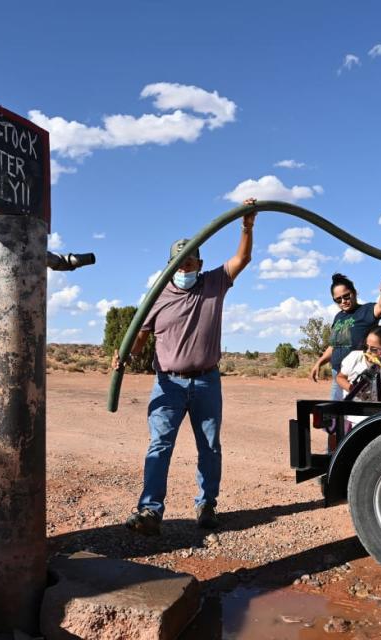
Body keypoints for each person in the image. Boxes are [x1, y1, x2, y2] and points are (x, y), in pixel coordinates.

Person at [113, 200, 257, 536]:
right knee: (159, 446)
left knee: (210, 446)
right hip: (168, 384)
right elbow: (140, 336)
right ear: (170, 265)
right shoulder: (157, 296)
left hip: (207, 381)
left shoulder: (213, 283)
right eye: (179, 262)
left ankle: (207, 505)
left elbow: (243, 259)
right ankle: (150, 511)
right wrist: (126, 355)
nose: (185, 267)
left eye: (190, 261)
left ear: (199, 263)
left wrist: (247, 227)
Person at [310, 272, 381, 400]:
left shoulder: (366, 311)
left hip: (358, 375)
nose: (343, 301)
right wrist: (319, 363)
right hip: (337, 374)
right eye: (338, 300)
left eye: (346, 296)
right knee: (336, 414)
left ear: (354, 292)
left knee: (356, 413)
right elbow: (334, 345)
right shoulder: (339, 317)